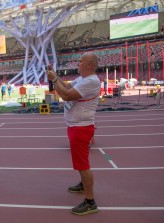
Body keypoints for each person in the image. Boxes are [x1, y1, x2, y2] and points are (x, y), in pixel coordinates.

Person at [46, 52, 100, 215]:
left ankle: (90, 202)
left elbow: (66, 95)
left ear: (90, 65)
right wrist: (55, 75)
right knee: (81, 163)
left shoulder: (91, 81)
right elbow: (68, 86)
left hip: (81, 128)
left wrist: (54, 79)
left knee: (83, 164)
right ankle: (83, 185)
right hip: (76, 126)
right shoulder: (83, 79)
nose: (78, 63)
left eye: (81, 61)